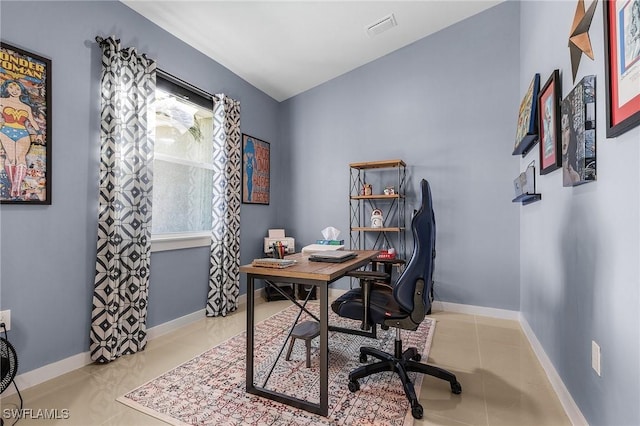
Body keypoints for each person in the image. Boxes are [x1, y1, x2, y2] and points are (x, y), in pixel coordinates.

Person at [0, 79, 43, 199]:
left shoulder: (26, 107)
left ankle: (16, 188)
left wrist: (39, 133)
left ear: (21, 91)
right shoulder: (2, 101)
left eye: (18, 88)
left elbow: (33, 121)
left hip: (23, 133)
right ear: (6, 89)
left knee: (21, 158)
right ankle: (13, 186)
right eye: (11, 88)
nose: (15, 91)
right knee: (11, 158)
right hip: (6, 131)